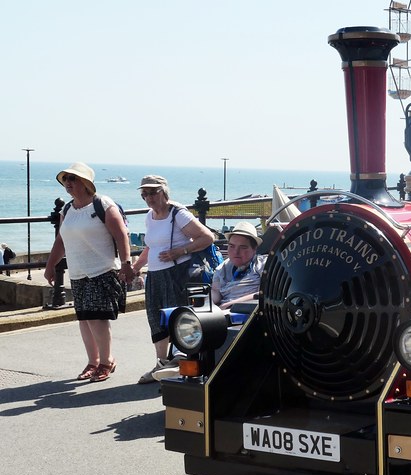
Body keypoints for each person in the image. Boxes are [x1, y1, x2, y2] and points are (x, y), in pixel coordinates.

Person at [42, 163, 133, 383]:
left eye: (73, 179)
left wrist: (126, 263)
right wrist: (51, 264)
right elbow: (61, 240)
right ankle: (93, 362)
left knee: (97, 319)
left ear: (85, 183)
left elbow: (121, 235)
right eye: (66, 179)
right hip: (78, 272)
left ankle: (106, 361)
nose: (69, 183)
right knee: (84, 319)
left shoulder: (103, 205)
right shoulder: (67, 209)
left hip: (101, 270)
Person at [131, 175, 215, 384]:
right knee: (156, 319)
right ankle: (161, 365)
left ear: (164, 192)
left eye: (153, 192)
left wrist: (181, 250)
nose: (148, 197)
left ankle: (183, 363)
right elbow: (151, 245)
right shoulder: (150, 216)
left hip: (177, 275)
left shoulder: (177, 214)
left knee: (178, 319)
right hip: (156, 274)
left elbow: (207, 237)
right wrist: (136, 267)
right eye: (145, 194)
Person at [211, 222, 266, 309]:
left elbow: (265, 294)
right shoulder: (221, 269)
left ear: (254, 249)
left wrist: (232, 304)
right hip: (222, 313)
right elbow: (215, 293)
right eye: (232, 246)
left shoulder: (262, 265)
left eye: (243, 247)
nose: (236, 252)